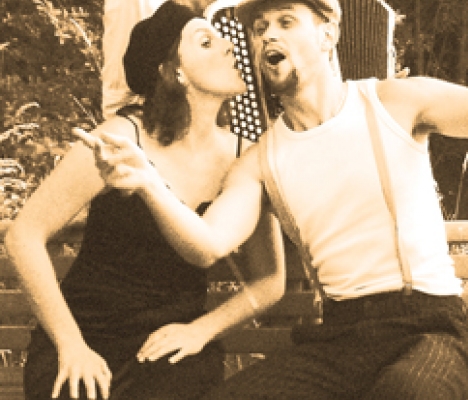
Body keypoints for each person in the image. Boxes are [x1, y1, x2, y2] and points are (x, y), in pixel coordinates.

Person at [76, 0, 468, 399]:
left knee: (403, 394)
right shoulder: (261, 159)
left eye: (286, 21)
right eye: (260, 27)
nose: (268, 35)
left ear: (327, 36)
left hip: (429, 329)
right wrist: (148, 182)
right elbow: (207, 244)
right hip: (340, 338)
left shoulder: (397, 104)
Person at [5, 1, 284, 399]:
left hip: (173, 345)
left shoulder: (245, 158)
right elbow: (23, 235)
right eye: (206, 42)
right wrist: (70, 344)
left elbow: (269, 279)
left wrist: (202, 330)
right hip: (86, 333)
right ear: (174, 72)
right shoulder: (121, 139)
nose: (228, 45)